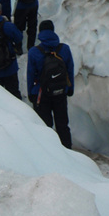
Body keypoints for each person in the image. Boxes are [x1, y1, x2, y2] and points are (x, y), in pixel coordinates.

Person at [27, 20, 74, 149]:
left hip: (41, 94)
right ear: (53, 31)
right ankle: (68, 153)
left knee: (45, 127)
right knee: (62, 125)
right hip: (60, 92)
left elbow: (30, 75)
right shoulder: (64, 49)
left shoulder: (34, 52)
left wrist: (31, 92)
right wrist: (70, 88)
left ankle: (48, 153)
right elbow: (70, 69)